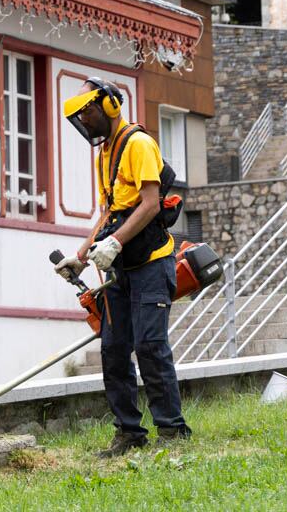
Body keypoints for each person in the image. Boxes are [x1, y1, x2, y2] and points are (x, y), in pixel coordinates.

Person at [57, 77, 191, 455]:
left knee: (150, 345)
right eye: (80, 116)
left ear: (109, 107)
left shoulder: (139, 144)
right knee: (114, 349)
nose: (84, 122)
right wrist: (81, 257)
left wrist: (115, 242)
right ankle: (129, 432)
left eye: (87, 113)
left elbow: (149, 203)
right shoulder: (106, 153)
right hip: (121, 268)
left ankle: (172, 431)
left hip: (151, 263)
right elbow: (111, 212)